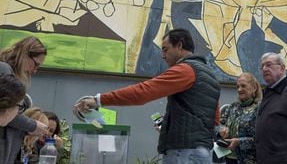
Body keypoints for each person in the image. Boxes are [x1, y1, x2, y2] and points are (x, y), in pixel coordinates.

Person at [74, 28, 221, 163]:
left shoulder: (185, 70)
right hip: (202, 152)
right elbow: (214, 119)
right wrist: (170, 123)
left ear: (179, 46)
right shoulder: (210, 76)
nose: (163, 56)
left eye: (165, 50)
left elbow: (143, 92)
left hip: (183, 152)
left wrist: (99, 100)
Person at [0, 36, 48, 164]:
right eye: (36, 64)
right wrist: (33, 125)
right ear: (25, 54)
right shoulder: (4, 70)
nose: (35, 70)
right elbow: (5, 113)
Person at [219, 72, 262, 164]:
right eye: (237, 86)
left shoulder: (260, 109)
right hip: (228, 158)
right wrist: (222, 130)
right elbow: (219, 125)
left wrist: (239, 142)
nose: (239, 89)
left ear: (254, 88)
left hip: (249, 160)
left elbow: (262, 139)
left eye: (243, 86)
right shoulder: (232, 107)